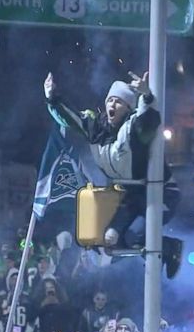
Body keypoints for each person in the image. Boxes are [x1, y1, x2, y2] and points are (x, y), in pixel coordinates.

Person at [43, 71, 181, 278]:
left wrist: (146, 97)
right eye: (110, 100)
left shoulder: (133, 127)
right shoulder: (95, 128)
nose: (112, 106)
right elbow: (70, 117)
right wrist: (52, 98)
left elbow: (148, 123)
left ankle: (169, 248)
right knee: (110, 238)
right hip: (129, 195)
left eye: (119, 102)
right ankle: (156, 252)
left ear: (128, 107)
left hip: (160, 193)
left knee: (135, 235)